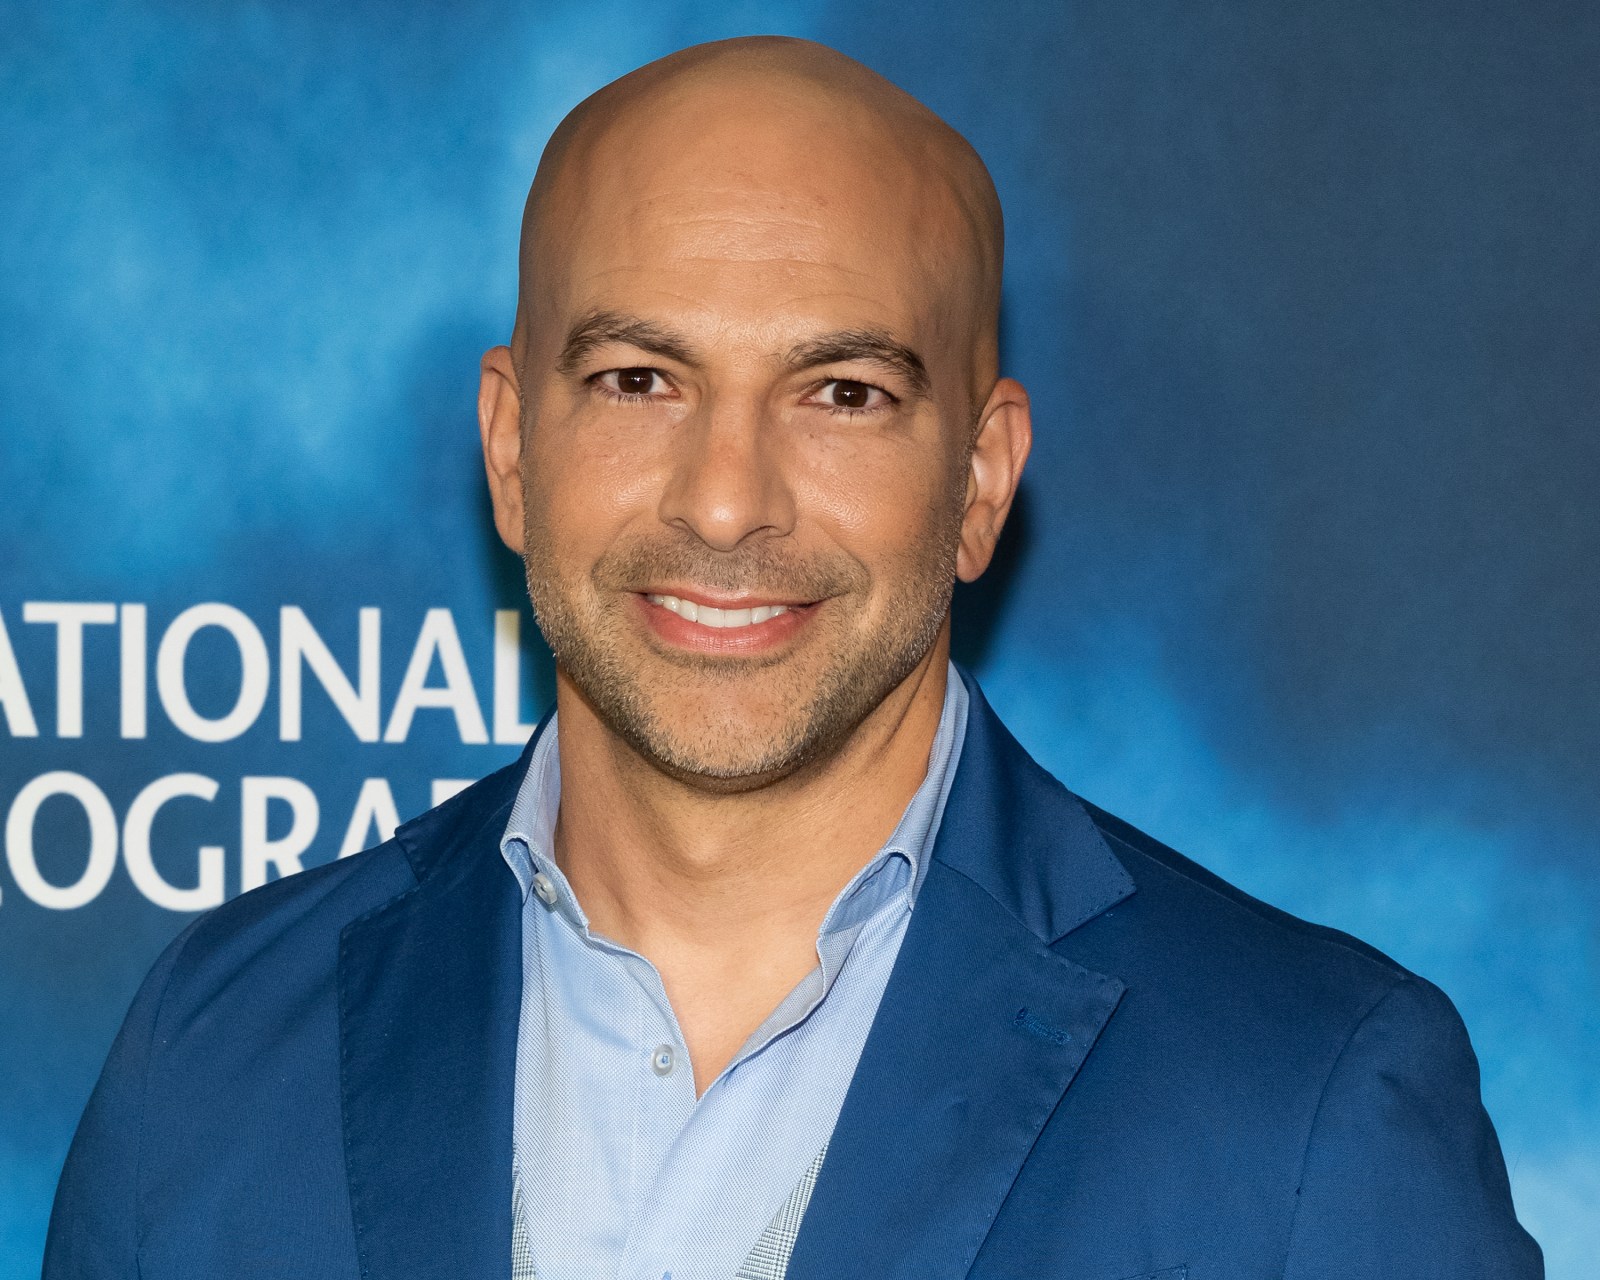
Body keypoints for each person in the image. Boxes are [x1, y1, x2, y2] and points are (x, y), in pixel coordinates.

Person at [44, 36, 1541, 1280]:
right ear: (510, 449)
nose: (724, 497)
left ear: (980, 478)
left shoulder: (1307, 1104)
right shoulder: (217, 1052)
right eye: (639, 379)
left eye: (840, 393)